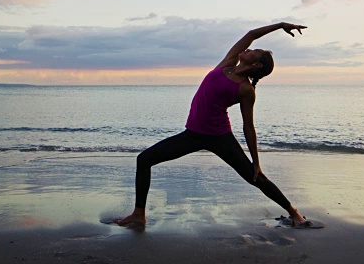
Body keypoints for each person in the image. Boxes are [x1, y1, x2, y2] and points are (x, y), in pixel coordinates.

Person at [114, 22, 309, 227]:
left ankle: (295, 213)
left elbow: (248, 127)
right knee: (144, 159)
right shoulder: (228, 63)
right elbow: (251, 34)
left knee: (254, 177)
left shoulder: (245, 90)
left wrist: (256, 162)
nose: (249, 49)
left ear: (257, 65)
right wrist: (280, 25)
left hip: (219, 137)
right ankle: (138, 214)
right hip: (193, 135)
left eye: (255, 52)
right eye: (253, 48)